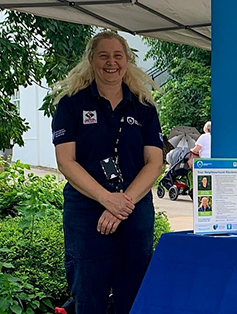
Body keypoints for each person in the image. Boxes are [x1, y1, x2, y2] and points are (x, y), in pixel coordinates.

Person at [52, 31, 164, 314]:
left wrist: (120, 204)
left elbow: (154, 162)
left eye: (118, 56)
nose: (111, 62)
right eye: (103, 55)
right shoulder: (71, 104)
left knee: (135, 291)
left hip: (133, 208)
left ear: (127, 61)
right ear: (91, 60)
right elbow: (66, 162)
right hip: (86, 211)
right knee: (88, 293)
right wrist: (106, 199)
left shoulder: (144, 107)